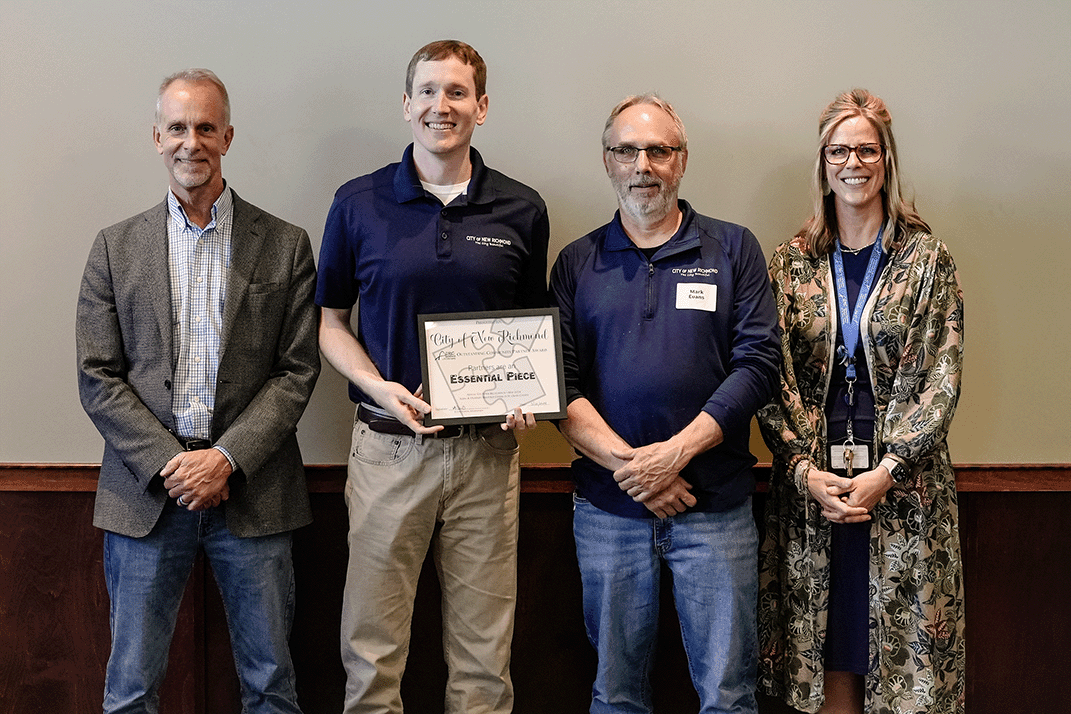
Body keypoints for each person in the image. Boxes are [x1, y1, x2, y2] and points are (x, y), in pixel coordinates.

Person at [315, 40, 550, 714]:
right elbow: (331, 322)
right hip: (388, 450)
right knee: (372, 655)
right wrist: (375, 385)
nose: (439, 106)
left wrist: (522, 398)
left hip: (486, 457)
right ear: (406, 104)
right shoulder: (357, 204)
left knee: (483, 665)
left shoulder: (522, 209)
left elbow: (529, 332)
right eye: (426, 91)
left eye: (455, 93)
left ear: (481, 107)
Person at [76, 69, 320, 713]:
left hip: (254, 489)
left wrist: (225, 459)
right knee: (130, 689)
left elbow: (297, 372)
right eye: (178, 128)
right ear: (156, 136)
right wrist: (171, 464)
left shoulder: (286, 246)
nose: (192, 142)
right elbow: (98, 376)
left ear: (228, 136)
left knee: (271, 685)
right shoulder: (114, 248)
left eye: (206, 128)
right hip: (145, 494)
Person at [549, 94, 780, 714]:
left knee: (729, 694)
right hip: (608, 513)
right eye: (627, 151)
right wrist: (638, 472)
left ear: (682, 161)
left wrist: (676, 454)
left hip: (716, 510)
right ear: (607, 162)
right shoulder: (576, 263)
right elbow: (559, 387)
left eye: (659, 150)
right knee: (616, 694)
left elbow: (758, 365)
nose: (642, 164)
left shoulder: (734, 250)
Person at [756, 88, 965, 714]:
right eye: (839, 151)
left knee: (903, 668)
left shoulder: (926, 261)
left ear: (887, 159)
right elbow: (770, 376)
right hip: (815, 494)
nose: (854, 163)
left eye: (867, 150)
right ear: (822, 163)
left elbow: (942, 378)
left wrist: (890, 468)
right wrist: (801, 470)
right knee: (828, 654)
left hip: (903, 495)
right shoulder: (791, 264)